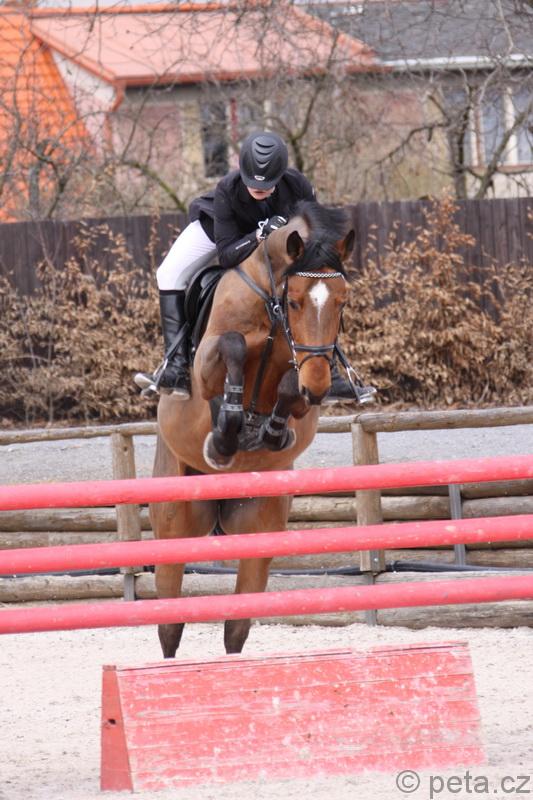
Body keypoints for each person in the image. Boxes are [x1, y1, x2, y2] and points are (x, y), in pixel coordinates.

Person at [137, 130, 375, 404]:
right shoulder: (227, 189)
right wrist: (259, 235)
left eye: (268, 184)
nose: (259, 189)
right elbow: (227, 256)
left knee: (316, 289)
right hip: (221, 234)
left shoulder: (298, 185)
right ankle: (176, 367)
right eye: (252, 182)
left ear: (281, 175)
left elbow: (316, 240)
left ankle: (333, 374)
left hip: (275, 241)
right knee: (168, 273)